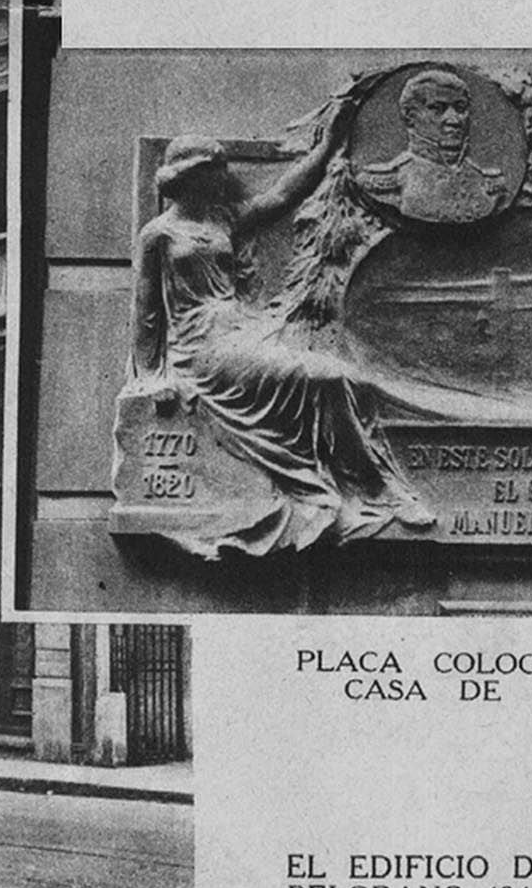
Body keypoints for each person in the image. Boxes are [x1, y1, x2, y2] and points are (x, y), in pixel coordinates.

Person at [129, 122, 434, 560]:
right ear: (192, 176)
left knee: (344, 375)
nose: (224, 177)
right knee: (323, 377)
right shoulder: (158, 234)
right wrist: (149, 377)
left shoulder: (224, 220)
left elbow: (282, 196)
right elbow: (146, 313)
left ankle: (369, 483)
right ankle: (375, 487)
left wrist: (327, 147)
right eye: (215, 170)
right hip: (204, 349)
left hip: (246, 328)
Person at [357, 68, 506, 222]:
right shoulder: (385, 182)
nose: (454, 120)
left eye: (460, 108)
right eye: (437, 108)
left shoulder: (488, 183)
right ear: (410, 116)